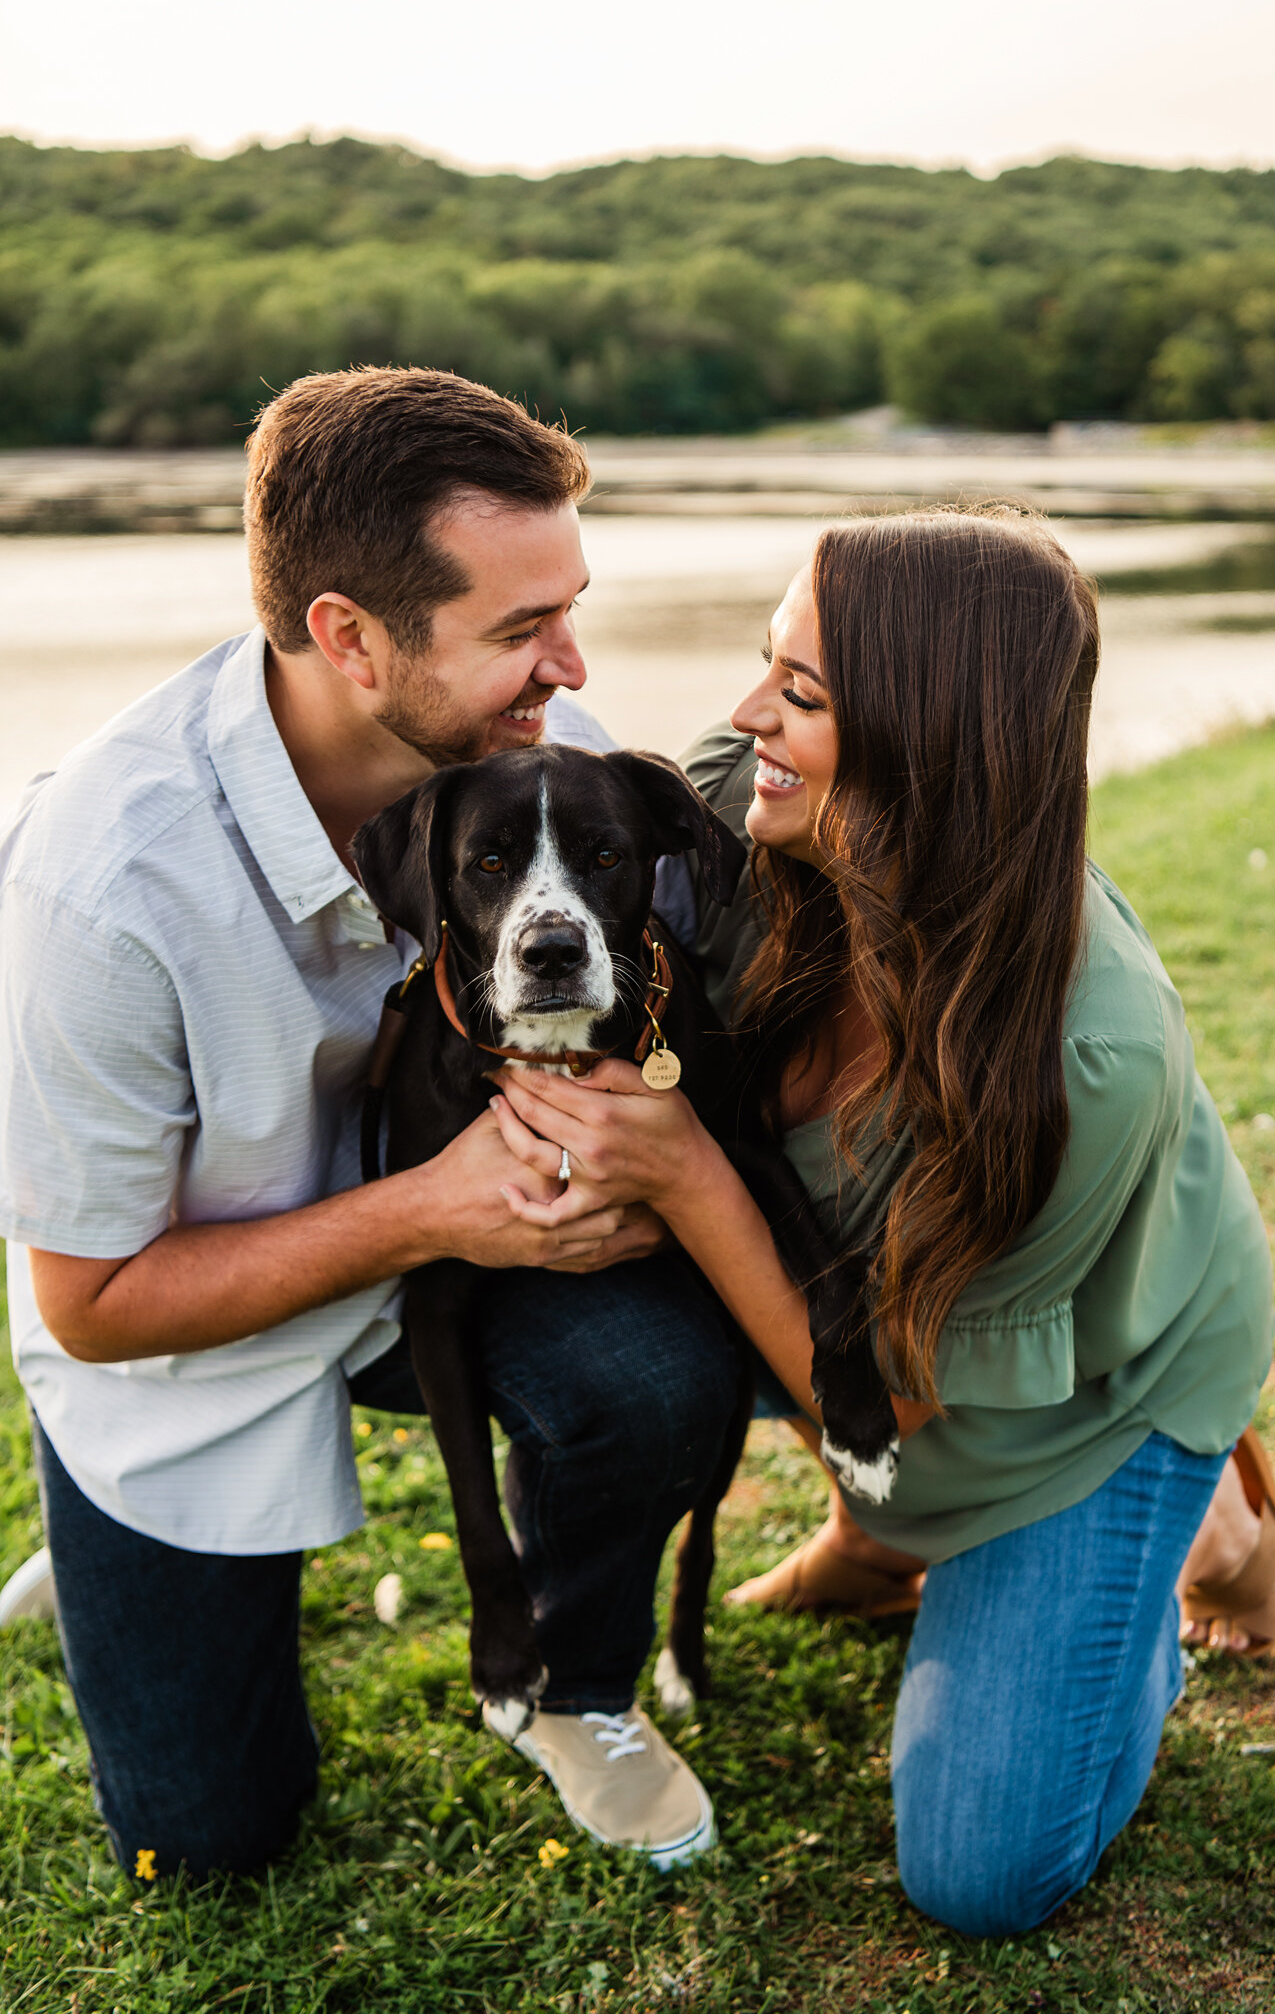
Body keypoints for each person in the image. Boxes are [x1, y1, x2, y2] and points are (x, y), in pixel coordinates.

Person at [483, 506, 1275, 1937]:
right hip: (875, 1330)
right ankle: (887, 1549)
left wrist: (683, 1177)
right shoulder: (741, 804)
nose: (746, 717)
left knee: (978, 1873)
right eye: (766, 669)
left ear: (933, 746)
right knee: (631, 1317)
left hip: (1064, 1406)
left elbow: (904, 1413)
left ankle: (1209, 1525)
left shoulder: (1082, 1057)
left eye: (800, 696)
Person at [0, 367, 733, 1879]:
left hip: (466, 1273)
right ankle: (104, 1540)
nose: (571, 664)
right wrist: (430, 1212)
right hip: (187, 1325)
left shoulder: (533, 745)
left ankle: (574, 1686)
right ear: (348, 637)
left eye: (569, 607)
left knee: (658, 1370)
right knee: (212, 1840)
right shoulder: (103, 887)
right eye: (523, 630)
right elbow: (94, 1302)